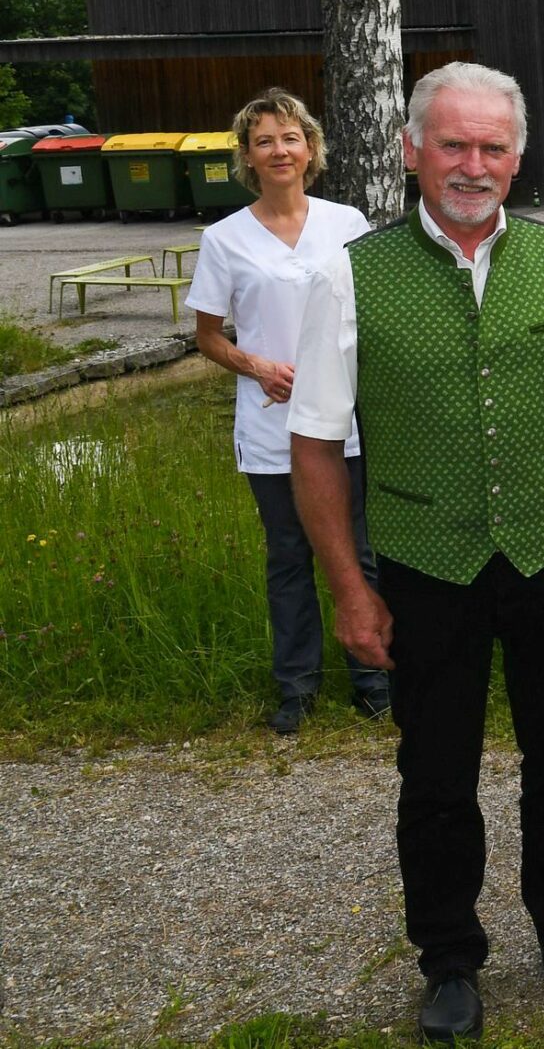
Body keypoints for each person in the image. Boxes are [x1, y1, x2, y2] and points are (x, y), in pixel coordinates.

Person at [289, 62, 544, 1042]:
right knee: (437, 774)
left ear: (517, 157)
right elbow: (315, 445)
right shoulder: (349, 273)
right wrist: (351, 588)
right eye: (453, 144)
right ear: (412, 150)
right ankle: (449, 959)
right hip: (424, 561)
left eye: (492, 147)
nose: (473, 165)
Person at [186, 88, 389, 734]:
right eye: (265, 139)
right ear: (248, 155)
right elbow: (208, 336)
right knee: (288, 555)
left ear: (310, 149)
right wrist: (260, 366)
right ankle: (296, 688)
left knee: (361, 553)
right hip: (272, 428)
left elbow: (370, 318)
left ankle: (375, 680)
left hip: (346, 425)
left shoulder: (347, 224)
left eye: (290, 137)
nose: (279, 149)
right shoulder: (224, 239)